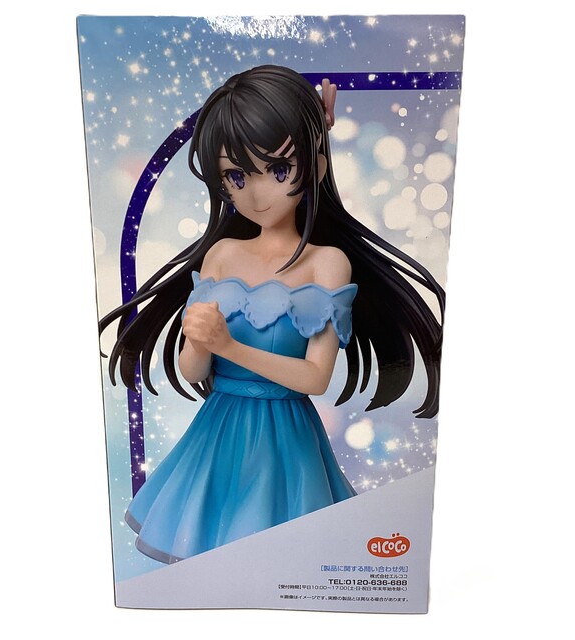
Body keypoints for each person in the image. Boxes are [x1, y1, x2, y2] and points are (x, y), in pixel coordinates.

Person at [99, 65, 445, 563]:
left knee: (280, 553)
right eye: (236, 176)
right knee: (212, 548)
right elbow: (193, 370)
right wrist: (199, 342)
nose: (256, 193)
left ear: (315, 167)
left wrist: (228, 345)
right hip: (217, 433)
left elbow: (315, 378)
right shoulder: (221, 256)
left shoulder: (327, 263)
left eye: (279, 170)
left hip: (286, 440)